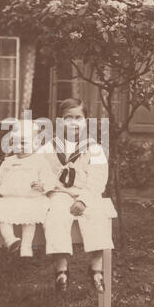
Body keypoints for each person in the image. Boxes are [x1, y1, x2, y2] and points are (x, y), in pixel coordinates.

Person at [41, 98, 114, 292]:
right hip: (60, 192)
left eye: (78, 118)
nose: (73, 122)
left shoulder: (95, 149)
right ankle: (61, 268)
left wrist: (83, 200)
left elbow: (98, 180)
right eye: (67, 118)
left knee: (97, 215)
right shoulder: (49, 147)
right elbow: (42, 172)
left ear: (86, 121)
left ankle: (96, 267)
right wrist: (47, 186)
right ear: (59, 121)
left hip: (86, 193)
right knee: (56, 214)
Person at [0, 120, 56, 257]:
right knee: (1, 213)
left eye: (24, 143)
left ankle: (26, 246)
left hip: (32, 199)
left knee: (30, 218)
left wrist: (43, 186)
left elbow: (50, 179)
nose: (19, 147)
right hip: (10, 199)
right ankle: (10, 240)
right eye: (15, 142)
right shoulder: (8, 162)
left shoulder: (39, 161)